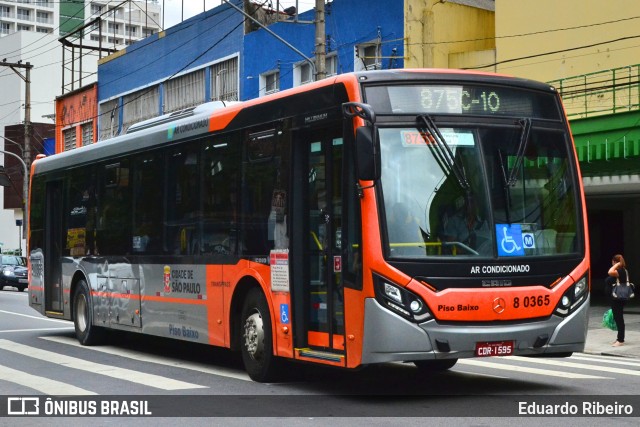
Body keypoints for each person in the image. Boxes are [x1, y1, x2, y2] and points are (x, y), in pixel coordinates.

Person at [607, 254, 628, 347]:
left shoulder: (619, 271)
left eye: (613, 262)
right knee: (618, 318)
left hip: (618, 298)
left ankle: (620, 340)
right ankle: (619, 338)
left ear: (614, 261)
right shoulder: (623, 271)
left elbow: (609, 272)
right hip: (618, 298)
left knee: (619, 318)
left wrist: (616, 265)